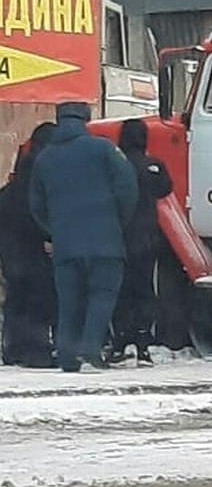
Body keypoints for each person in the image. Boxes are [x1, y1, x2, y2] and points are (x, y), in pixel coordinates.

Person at [29, 102, 138, 373]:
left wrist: (54, 231)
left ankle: (67, 356)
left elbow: (36, 205)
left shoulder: (45, 158)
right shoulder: (103, 149)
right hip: (105, 240)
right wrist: (116, 222)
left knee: (69, 301)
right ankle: (90, 352)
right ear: (86, 119)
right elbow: (128, 189)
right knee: (102, 295)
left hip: (65, 244)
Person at [110, 119, 173, 365]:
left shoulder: (117, 165)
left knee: (121, 289)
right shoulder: (153, 165)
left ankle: (120, 341)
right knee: (144, 289)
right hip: (147, 236)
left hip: (120, 236)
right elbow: (165, 189)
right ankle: (144, 342)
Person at [0, 123, 58, 368]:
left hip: (11, 255)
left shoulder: (7, 192)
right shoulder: (43, 184)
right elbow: (38, 218)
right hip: (35, 252)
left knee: (16, 298)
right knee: (38, 298)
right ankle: (36, 350)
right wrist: (50, 237)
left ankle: (13, 348)